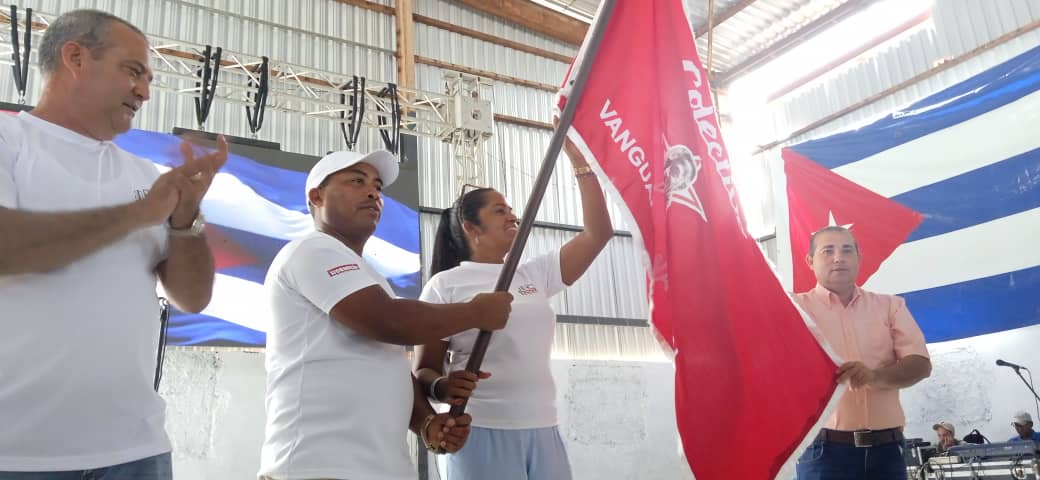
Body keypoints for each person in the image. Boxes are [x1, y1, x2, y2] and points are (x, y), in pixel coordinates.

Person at [0, 9, 225, 479]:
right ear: (76, 57)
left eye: (148, 79)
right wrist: (141, 214)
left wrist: (186, 218)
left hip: (135, 450)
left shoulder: (144, 175)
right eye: (133, 71)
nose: (144, 91)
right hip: (19, 453)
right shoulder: (9, 141)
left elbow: (193, 297)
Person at [259, 150, 513, 480]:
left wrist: (427, 424)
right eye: (356, 181)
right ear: (316, 196)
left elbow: (389, 365)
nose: (372, 193)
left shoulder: (367, 275)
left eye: (378, 187)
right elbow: (392, 322)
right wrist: (476, 312)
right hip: (317, 467)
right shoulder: (312, 250)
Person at [413, 137, 613, 480]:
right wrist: (443, 387)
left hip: (544, 426)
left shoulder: (535, 272)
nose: (513, 215)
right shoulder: (445, 286)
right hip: (481, 430)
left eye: (510, 208)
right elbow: (424, 371)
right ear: (471, 227)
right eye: (499, 210)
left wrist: (582, 164)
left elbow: (599, 233)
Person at [793, 226, 932, 480]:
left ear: (859, 258)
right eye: (828, 250)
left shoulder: (891, 305)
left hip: (888, 452)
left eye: (847, 250)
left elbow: (921, 364)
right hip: (822, 454)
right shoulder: (792, 309)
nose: (838, 257)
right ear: (810, 261)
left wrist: (873, 377)